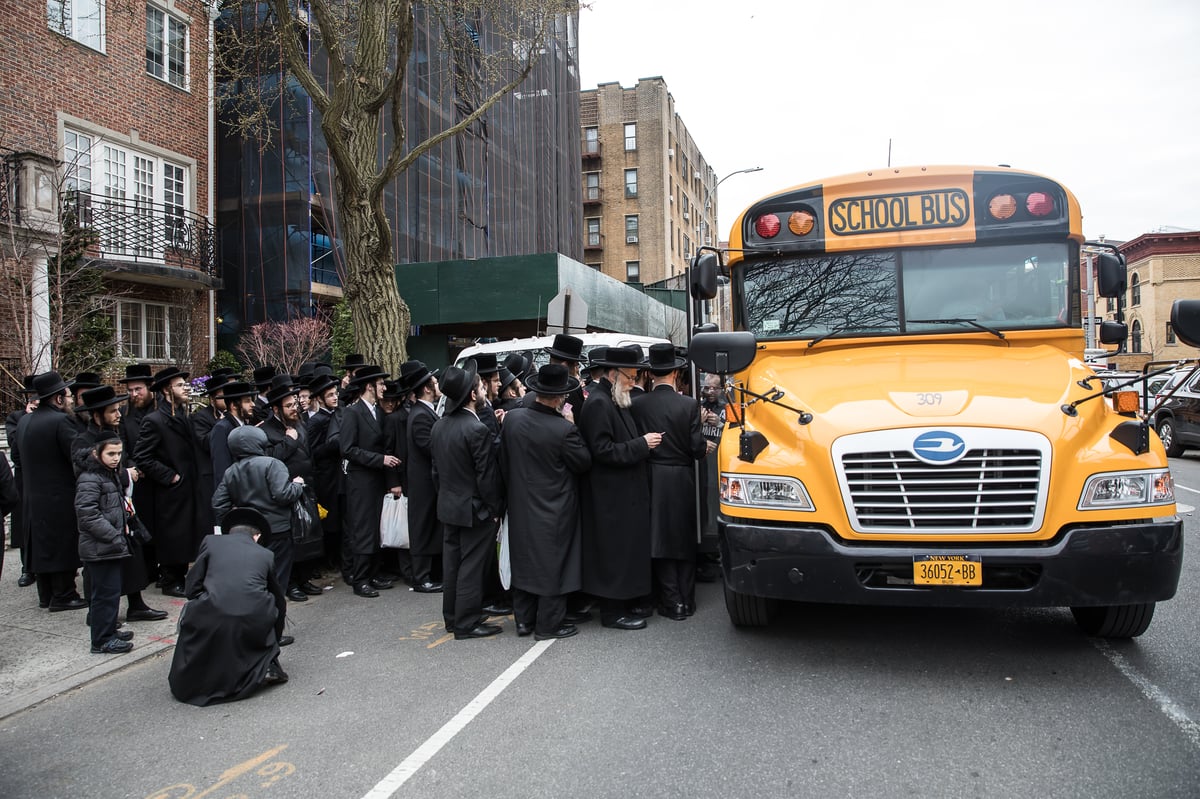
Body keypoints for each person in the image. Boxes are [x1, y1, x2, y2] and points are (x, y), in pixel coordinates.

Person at [499, 364, 592, 640]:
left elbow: (501, 460)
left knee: (524, 561)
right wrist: (573, 424)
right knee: (554, 566)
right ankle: (548, 625)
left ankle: (524, 621)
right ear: (560, 397)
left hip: (519, 504)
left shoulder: (512, 420)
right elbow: (583, 463)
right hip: (555, 508)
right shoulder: (564, 430)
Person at [575, 347, 661, 630]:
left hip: (621, 492)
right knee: (614, 552)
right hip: (609, 495)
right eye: (631, 376)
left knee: (624, 550)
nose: (633, 382)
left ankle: (626, 602)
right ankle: (613, 612)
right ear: (613, 374)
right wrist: (642, 444)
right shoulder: (599, 403)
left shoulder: (612, 398)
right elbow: (602, 450)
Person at [168, 507, 289, 706]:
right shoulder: (265, 554)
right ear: (257, 536)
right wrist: (273, 645)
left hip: (210, 610)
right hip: (252, 616)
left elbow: (192, 586)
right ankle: (267, 666)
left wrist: (208, 601)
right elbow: (278, 600)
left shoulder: (211, 542)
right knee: (265, 606)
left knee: (198, 615)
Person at [73, 385, 166, 623]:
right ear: (97, 415)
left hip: (123, 507)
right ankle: (98, 612)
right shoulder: (83, 441)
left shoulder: (116, 435)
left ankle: (136, 604)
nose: (118, 414)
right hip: (102, 511)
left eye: (118, 409)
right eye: (112, 411)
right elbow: (89, 473)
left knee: (131, 556)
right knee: (99, 566)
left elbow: (124, 461)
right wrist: (126, 474)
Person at [632, 344, 708, 620]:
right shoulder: (689, 404)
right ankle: (687, 601)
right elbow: (697, 448)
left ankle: (671, 601)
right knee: (684, 539)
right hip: (682, 477)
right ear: (676, 372)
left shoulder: (638, 404)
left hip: (652, 475)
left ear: (651, 374)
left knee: (660, 540)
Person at [431, 362, 505, 639]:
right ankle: (466, 622)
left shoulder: (440, 426)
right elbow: (486, 477)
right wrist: (494, 508)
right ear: (472, 395)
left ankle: (454, 617)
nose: (484, 388)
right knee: (472, 566)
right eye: (480, 386)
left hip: (449, 505)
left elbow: (436, 472)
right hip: (474, 508)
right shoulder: (476, 430)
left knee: (453, 564)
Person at [212, 426, 305, 639]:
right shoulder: (273, 464)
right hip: (278, 531)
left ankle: (254, 631)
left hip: (249, 535)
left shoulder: (231, 471)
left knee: (256, 583)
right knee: (277, 584)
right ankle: (274, 633)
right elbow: (283, 494)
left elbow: (218, 504)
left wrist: (237, 520)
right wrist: (298, 485)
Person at [13, 371, 87, 611]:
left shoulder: (25, 421)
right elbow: (77, 456)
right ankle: (64, 594)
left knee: (42, 547)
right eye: (66, 395)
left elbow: (16, 457)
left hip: (33, 495)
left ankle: (46, 595)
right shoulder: (61, 421)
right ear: (57, 399)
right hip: (59, 495)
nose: (70, 400)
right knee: (61, 544)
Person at [132, 366, 207, 597]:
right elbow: (142, 456)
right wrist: (170, 476)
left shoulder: (182, 415)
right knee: (173, 535)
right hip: (171, 490)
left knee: (185, 533)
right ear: (167, 390)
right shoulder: (155, 420)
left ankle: (179, 575)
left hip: (188, 486)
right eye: (180, 385)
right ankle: (169, 578)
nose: (185, 388)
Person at [258, 375, 321, 602]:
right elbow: (271, 459)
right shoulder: (266, 430)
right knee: (292, 539)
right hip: (285, 491)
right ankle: (291, 583)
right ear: (276, 408)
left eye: (295, 404)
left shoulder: (299, 424)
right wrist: (289, 441)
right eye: (289, 406)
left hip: (306, 487)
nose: (295, 408)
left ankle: (304, 579)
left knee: (308, 536)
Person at [339, 364, 400, 597]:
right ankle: (360, 577)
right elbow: (347, 449)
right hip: (361, 481)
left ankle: (374, 573)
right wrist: (379, 459)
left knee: (376, 527)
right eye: (380, 384)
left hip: (376, 480)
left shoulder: (378, 412)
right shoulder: (352, 413)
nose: (384, 387)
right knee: (363, 529)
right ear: (369, 387)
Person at [75, 431, 136, 654]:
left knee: (111, 592)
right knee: (103, 595)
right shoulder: (90, 479)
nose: (116, 458)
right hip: (100, 547)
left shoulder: (108, 474)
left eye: (119, 453)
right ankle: (101, 640)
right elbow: (88, 515)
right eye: (111, 453)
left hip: (111, 545)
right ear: (96, 453)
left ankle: (108, 631)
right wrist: (114, 535)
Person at [405, 361, 444, 593]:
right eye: (435, 382)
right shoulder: (420, 415)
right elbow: (429, 446)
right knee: (422, 527)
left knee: (431, 527)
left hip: (429, 481)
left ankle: (430, 572)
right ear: (427, 388)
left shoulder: (426, 411)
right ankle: (420, 577)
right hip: (423, 483)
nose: (437, 384)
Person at [7, 374, 37, 587]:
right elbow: (15, 451)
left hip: (46, 477)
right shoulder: (16, 418)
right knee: (25, 523)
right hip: (25, 478)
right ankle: (27, 567)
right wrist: (26, 421)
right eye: (31, 396)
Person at [210, 381, 258, 487]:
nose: (252, 405)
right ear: (234, 405)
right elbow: (222, 468)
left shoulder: (244, 425)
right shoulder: (221, 429)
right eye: (247, 401)